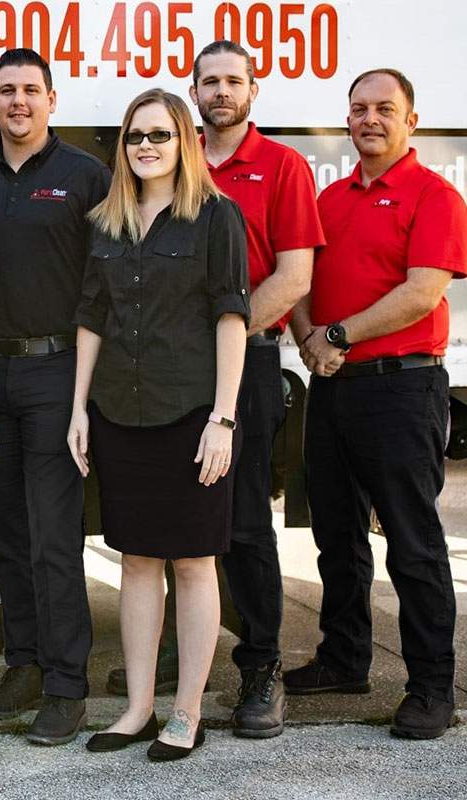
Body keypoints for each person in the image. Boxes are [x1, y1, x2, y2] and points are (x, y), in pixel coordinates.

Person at [68, 89, 249, 762]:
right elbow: (92, 317)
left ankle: (187, 712)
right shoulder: (107, 222)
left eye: (160, 135)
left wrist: (223, 419)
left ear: (184, 143)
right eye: (135, 136)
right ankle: (139, 708)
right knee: (137, 561)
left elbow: (232, 319)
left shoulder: (216, 218)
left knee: (194, 564)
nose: (146, 145)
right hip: (119, 412)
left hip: (191, 416)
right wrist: (79, 409)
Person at [285, 68, 465, 740]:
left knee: (413, 547)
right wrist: (310, 341)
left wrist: (337, 335)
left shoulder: (434, 195)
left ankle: (430, 688)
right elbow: (298, 274)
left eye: (385, 109)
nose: (370, 119)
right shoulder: (329, 201)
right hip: (332, 387)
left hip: (401, 388)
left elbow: (422, 292)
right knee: (336, 536)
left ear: (411, 120)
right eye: (359, 109)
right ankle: (344, 657)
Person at [0, 48, 110, 744]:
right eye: (6, 91)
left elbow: (104, 288)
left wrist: (86, 395)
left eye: (30, 90)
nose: (18, 101)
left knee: (55, 538)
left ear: (53, 99)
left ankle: (65, 685)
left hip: (57, 374)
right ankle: (21, 664)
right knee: (6, 533)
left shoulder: (86, 177)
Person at [191, 40, 325, 738]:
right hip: (173, 372)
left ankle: (261, 670)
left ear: (253, 90)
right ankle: (178, 663)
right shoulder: (174, 158)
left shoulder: (283, 166)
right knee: (172, 521)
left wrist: (224, 339)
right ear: (193, 92)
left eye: (232, 81)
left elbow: (295, 277)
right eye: (209, 81)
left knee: (245, 525)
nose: (221, 92)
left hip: (250, 363)